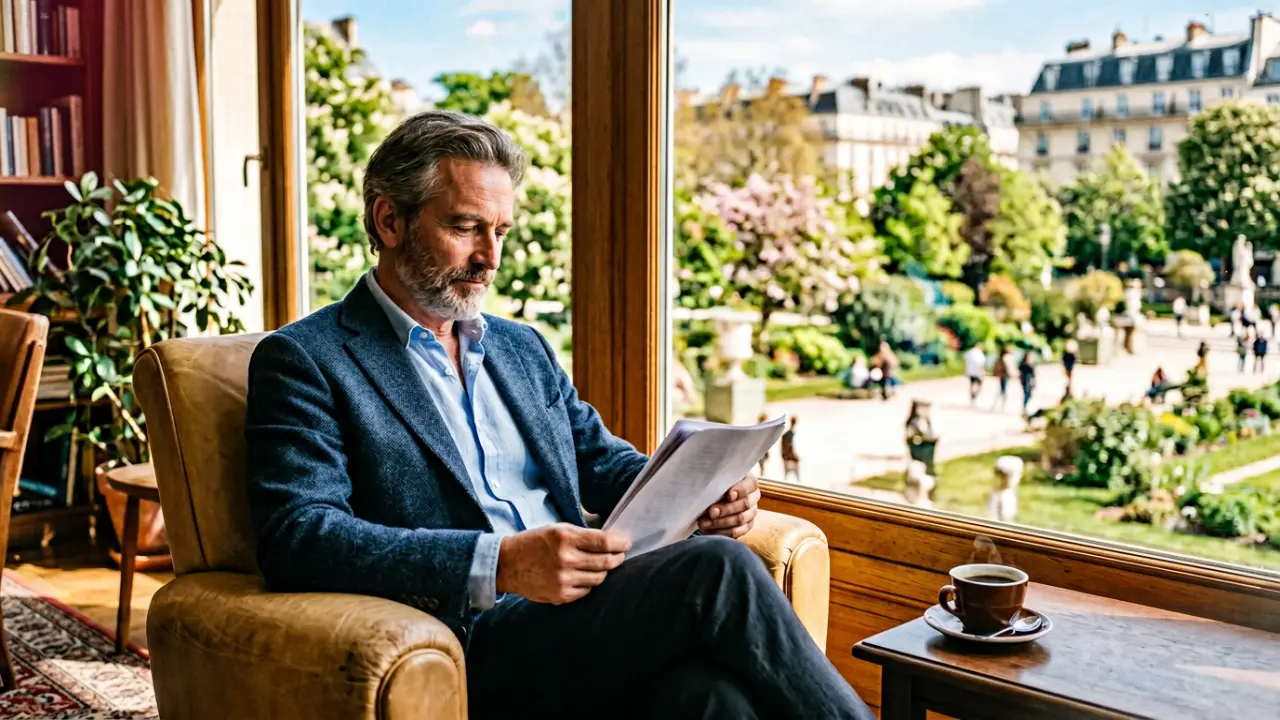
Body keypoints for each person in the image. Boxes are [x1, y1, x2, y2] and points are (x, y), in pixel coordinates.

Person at [243, 111, 874, 720]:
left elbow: (602, 463)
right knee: (720, 568)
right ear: (389, 220)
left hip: (589, 614)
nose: (490, 257)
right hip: (471, 638)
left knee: (710, 700)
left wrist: (701, 492)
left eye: (501, 232)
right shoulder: (306, 359)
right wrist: (501, 562)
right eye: (466, 228)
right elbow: (301, 535)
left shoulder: (520, 348)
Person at [992, 344, 1014, 412]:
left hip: (1001, 375)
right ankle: (1002, 405)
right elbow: (1009, 367)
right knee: (1004, 390)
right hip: (1005, 375)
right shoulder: (1007, 357)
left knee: (1001, 390)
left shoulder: (999, 357)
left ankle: (996, 405)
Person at [1017, 348, 1037, 418]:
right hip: (1025, 380)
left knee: (1029, 394)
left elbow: (1034, 374)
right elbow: (1020, 372)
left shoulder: (1031, 363)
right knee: (1026, 394)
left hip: (1029, 380)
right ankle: (1025, 408)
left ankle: (1026, 408)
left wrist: (1035, 381)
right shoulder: (1023, 364)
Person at [781, 417, 800, 484]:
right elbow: (789, 447)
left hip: (787, 457)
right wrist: (793, 457)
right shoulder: (789, 434)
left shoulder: (789, 434)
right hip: (788, 458)